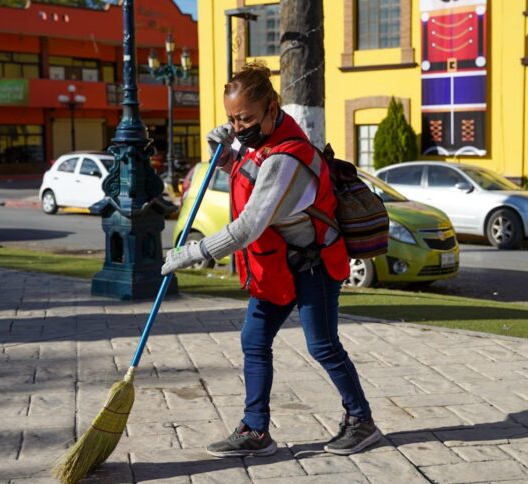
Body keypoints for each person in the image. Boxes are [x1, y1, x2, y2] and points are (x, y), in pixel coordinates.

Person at [162, 62, 380, 457]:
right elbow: (251, 180)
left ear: (271, 106)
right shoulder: (265, 144)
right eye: (231, 118)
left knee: (323, 345)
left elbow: (248, 226)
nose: (237, 125)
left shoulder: (286, 156)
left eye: (245, 117)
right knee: (254, 340)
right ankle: (255, 430)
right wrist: (227, 158)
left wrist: (191, 253)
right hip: (281, 264)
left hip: (314, 263)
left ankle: (360, 420)